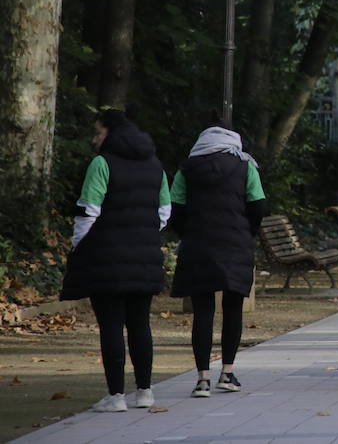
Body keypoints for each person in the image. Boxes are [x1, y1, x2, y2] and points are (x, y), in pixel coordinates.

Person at [60, 108, 170, 413]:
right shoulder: (155, 166)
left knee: (111, 324)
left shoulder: (102, 163)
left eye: (98, 132)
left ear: (111, 132)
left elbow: (88, 211)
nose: (95, 140)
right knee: (140, 324)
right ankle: (145, 392)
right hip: (146, 255)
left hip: (107, 255)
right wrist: (143, 235)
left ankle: (116, 396)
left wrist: (80, 246)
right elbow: (164, 213)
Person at [169, 113, 268, 398]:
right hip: (236, 243)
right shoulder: (245, 165)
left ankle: (202, 379)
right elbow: (258, 205)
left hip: (198, 244)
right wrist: (246, 231)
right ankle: (227, 372)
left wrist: (187, 232)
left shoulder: (187, 168)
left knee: (203, 312)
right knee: (233, 309)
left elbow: (175, 206)